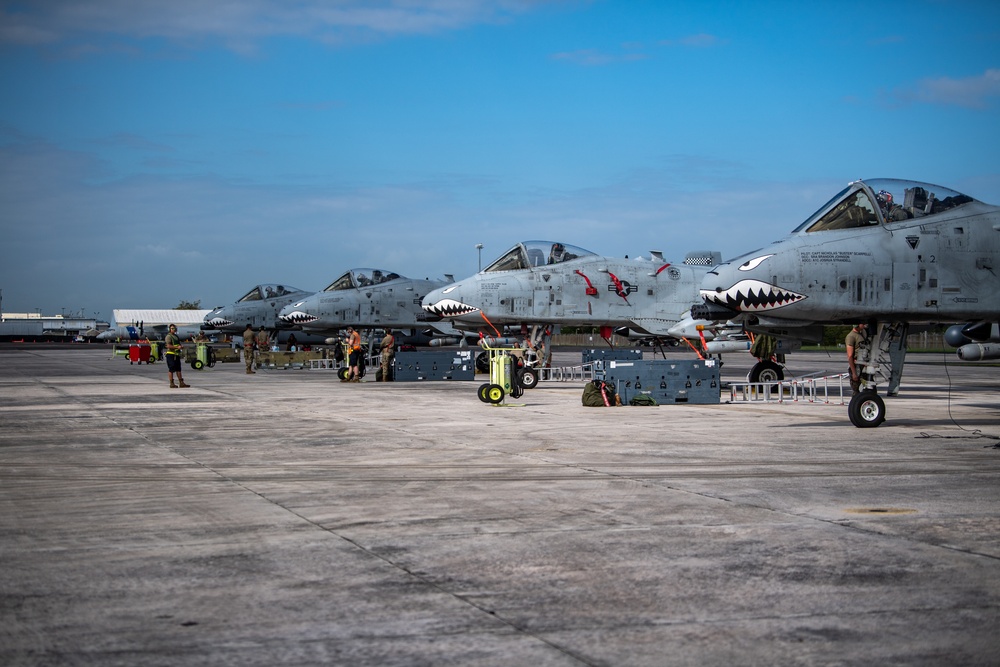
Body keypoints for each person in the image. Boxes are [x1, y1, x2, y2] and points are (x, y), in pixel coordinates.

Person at [164, 324, 190, 388]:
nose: (174, 329)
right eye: (172, 328)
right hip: (170, 354)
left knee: (178, 369)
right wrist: (176, 347)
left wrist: (181, 347)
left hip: (176, 354)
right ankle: (171, 383)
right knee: (171, 369)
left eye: (174, 328)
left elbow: (178, 344)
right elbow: (168, 346)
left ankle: (181, 382)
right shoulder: (168, 336)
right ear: (169, 329)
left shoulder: (176, 336)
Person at [845, 323, 868, 394]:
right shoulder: (851, 337)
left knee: (868, 389)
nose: (864, 324)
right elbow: (850, 356)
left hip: (864, 365)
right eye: (862, 323)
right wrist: (854, 372)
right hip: (857, 366)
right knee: (857, 391)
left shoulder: (862, 334)